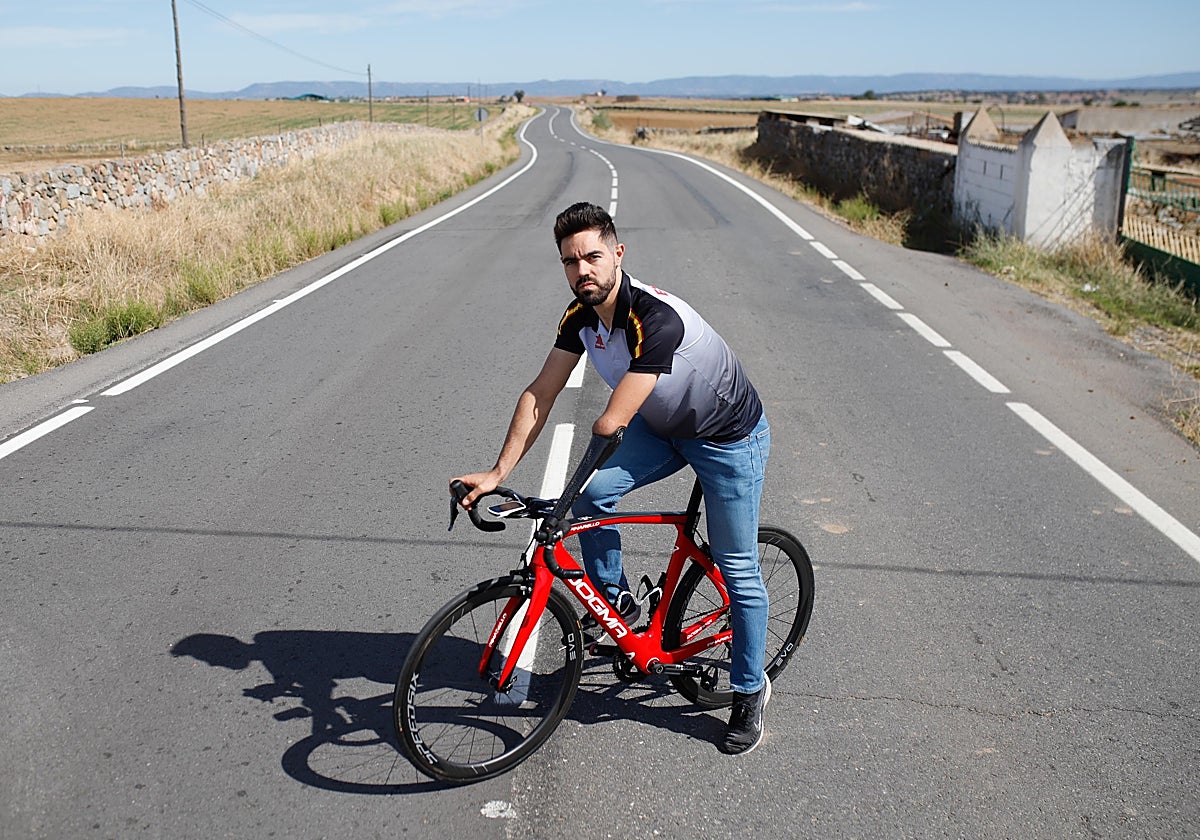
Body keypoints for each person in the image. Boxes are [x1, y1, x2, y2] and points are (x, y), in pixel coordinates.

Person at [452, 202, 772, 755]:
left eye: (593, 256)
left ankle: (749, 689)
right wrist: (497, 470)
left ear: (618, 254)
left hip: (727, 438)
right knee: (596, 495)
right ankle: (616, 600)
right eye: (571, 261)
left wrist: (557, 502)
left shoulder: (656, 318)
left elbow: (610, 422)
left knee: (736, 566)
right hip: (663, 426)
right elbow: (540, 393)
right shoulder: (579, 319)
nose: (583, 271)